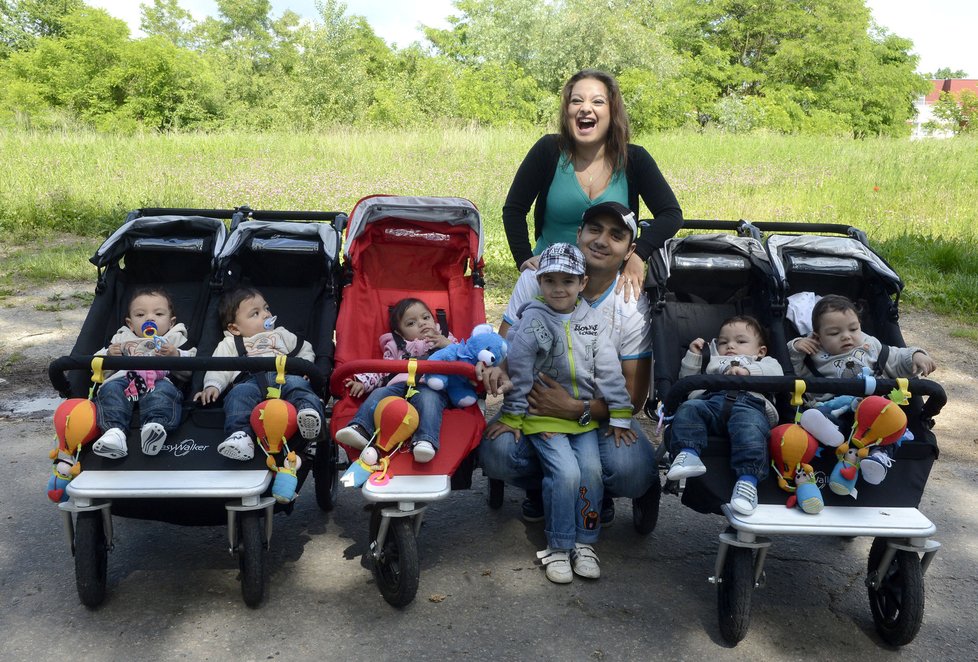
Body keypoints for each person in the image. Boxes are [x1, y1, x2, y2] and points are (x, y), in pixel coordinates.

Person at [481, 201, 659, 528]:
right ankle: (544, 488)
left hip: (596, 411)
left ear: (629, 250)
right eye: (594, 229)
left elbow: (633, 398)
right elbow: (508, 351)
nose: (602, 240)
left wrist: (575, 408)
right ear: (579, 233)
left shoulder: (631, 303)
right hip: (535, 405)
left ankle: (594, 493)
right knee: (498, 453)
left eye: (615, 235)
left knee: (631, 470)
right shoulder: (537, 277)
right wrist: (496, 367)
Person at [487, 243, 635, 583]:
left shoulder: (592, 321)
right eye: (549, 280)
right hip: (542, 416)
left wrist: (620, 415)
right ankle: (558, 544)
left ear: (582, 283)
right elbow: (520, 372)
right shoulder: (532, 321)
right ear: (539, 282)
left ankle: (585, 542)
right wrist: (512, 417)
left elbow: (610, 372)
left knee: (591, 472)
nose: (558, 288)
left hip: (582, 420)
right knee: (566, 473)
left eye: (567, 281)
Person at [502, 68, 683, 301]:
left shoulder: (634, 159)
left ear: (612, 112)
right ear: (567, 111)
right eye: (576, 100)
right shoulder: (548, 151)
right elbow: (514, 210)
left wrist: (638, 254)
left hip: (608, 283)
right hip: (551, 280)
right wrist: (523, 259)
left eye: (597, 101)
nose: (585, 108)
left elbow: (671, 214)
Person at [787, 294, 937, 484]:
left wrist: (916, 356)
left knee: (891, 424)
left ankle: (878, 459)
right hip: (835, 407)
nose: (846, 336)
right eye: (834, 333)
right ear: (818, 336)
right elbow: (792, 369)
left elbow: (896, 356)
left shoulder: (870, 346)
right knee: (822, 412)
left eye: (853, 328)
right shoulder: (814, 353)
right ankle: (828, 431)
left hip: (874, 412)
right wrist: (796, 348)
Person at [665, 316, 784, 516]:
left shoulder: (764, 362)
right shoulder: (712, 361)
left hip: (750, 405)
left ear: (760, 350)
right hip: (711, 401)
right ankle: (688, 453)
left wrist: (747, 371)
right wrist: (694, 356)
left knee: (750, 430)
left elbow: (777, 374)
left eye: (741, 341)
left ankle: (747, 482)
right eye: (723, 342)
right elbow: (688, 382)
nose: (730, 346)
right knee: (689, 408)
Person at [194, 286, 323, 461]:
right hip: (249, 381)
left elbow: (304, 349)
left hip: (284, 376)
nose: (266, 315)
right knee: (237, 396)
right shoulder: (231, 343)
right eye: (255, 313)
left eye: (266, 308)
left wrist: (305, 367)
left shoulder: (281, 334)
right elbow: (219, 366)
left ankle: (308, 415)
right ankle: (240, 436)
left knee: (300, 387)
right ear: (234, 328)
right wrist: (212, 386)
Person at [335, 298, 455, 463]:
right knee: (380, 393)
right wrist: (362, 381)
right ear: (400, 333)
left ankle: (425, 440)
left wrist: (446, 344)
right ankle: (361, 428)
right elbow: (382, 370)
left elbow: (462, 356)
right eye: (411, 323)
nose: (421, 324)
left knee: (430, 400)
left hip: (429, 386)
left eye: (426, 318)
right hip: (398, 386)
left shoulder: (445, 339)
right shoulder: (396, 346)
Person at [91, 287, 197, 459]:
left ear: (171, 322)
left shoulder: (175, 338)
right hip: (125, 380)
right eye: (140, 315)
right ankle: (114, 433)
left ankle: (154, 428)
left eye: (158, 314)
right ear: (130, 324)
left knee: (163, 392)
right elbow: (95, 364)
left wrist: (176, 355)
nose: (149, 318)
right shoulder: (121, 339)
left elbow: (193, 364)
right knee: (110, 391)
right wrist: (109, 356)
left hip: (159, 381)